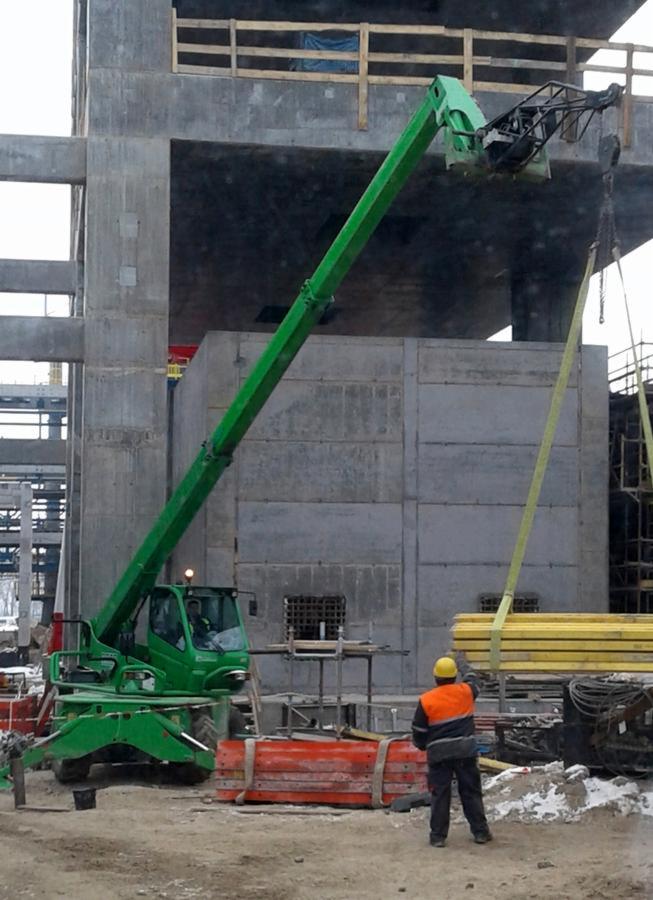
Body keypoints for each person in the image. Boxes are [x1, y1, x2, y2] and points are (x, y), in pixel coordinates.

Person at [411, 653, 492, 848]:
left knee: (440, 794)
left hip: (439, 754)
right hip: (465, 750)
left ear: (435, 677)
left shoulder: (426, 700)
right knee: (471, 792)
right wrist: (462, 661)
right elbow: (474, 678)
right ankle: (480, 832)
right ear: (455, 676)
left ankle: (438, 836)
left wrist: (424, 746)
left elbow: (419, 730)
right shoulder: (466, 692)